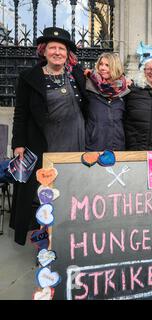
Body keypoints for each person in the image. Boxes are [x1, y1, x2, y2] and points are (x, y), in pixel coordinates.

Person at [11, 27, 88, 245]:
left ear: (67, 53)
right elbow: (21, 113)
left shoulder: (77, 74)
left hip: (75, 142)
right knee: (45, 193)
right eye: (52, 48)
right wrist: (18, 144)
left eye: (61, 48)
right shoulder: (29, 78)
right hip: (46, 144)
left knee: (72, 191)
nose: (57, 52)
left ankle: (69, 240)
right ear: (43, 51)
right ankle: (47, 243)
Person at [85, 52, 130, 151]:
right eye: (100, 64)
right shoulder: (88, 86)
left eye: (107, 65)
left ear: (115, 67)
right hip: (94, 146)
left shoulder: (125, 90)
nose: (102, 68)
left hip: (117, 146)